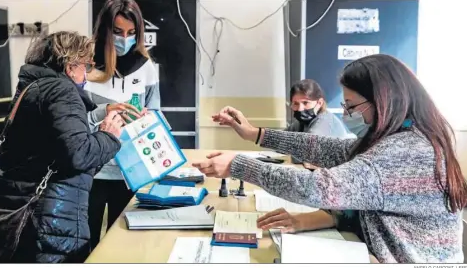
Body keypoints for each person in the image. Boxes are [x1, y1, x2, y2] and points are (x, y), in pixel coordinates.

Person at [193, 54, 467, 263]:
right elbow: (329, 150)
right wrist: (256, 134)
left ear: (384, 101)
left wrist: (238, 165)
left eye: (351, 106)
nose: (346, 113)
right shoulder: (399, 137)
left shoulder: (405, 153)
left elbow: (318, 187)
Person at [0, 31, 124, 262]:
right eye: (86, 67)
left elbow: (58, 149)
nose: (86, 76)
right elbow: (79, 154)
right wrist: (108, 136)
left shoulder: (33, 87)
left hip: (22, 208)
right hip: (51, 217)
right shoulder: (62, 91)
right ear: (70, 67)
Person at [85, 0, 161, 249]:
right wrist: (103, 112)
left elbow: (156, 114)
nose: (124, 39)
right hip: (90, 170)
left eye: (131, 33)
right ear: (105, 29)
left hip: (129, 171)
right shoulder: (85, 65)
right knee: (84, 244)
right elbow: (72, 122)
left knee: (121, 247)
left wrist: (147, 120)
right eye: (118, 32)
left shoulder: (146, 66)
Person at [286, 79, 349, 167]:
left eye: (305, 103)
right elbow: (281, 140)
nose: (300, 109)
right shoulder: (303, 122)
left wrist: (290, 149)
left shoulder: (325, 122)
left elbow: (306, 153)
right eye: (296, 103)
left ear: (319, 103)